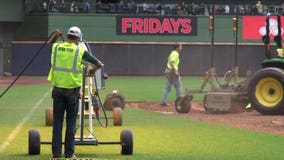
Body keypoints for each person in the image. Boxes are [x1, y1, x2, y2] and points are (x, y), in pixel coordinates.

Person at [47, 26, 103, 158]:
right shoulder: (79, 51)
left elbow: (50, 43)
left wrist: (55, 35)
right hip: (72, 91)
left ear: (67, 36)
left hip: (58, 89)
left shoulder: (57, 48)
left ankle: (56, 154)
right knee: (71, 122)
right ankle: (69, 154)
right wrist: (92, 70)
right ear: (78, 38)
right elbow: (99, 63)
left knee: (58, 122)